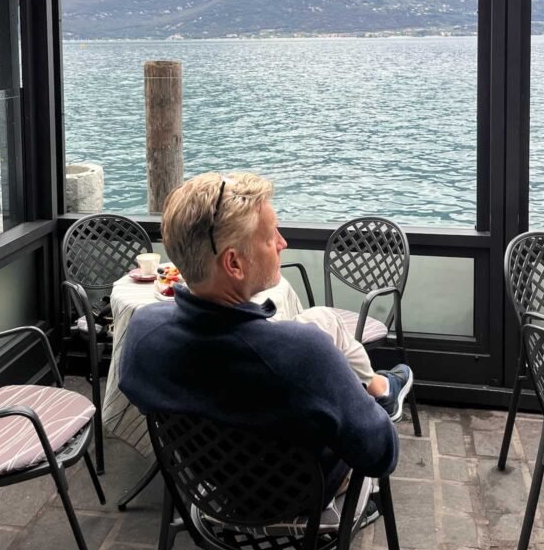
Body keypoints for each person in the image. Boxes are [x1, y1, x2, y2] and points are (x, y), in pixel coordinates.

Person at [120, 171, 411, 502]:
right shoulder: (304, 354)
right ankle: (381, 391)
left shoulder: (143, 332)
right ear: (234, 264)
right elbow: (381, 454)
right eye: (272, 236)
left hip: (211, 487)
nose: (283, 243)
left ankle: (378, 386)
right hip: (299, 496)